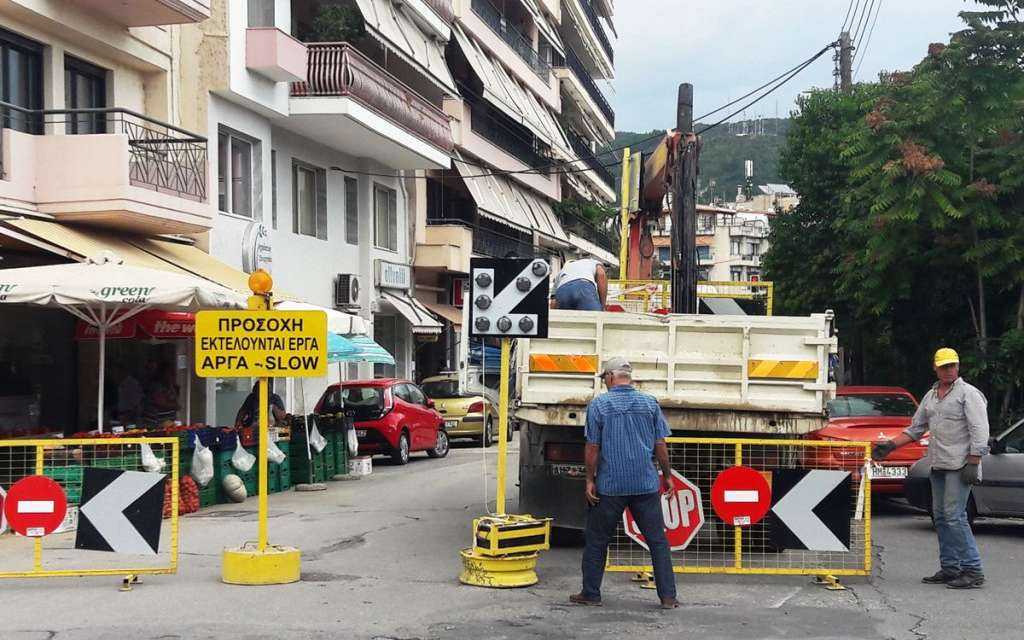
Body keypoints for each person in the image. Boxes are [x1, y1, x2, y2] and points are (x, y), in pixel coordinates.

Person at [873, 347, 989, 589]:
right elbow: (916, 428)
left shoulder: (969, 394)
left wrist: (974, 461)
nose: (949, 370)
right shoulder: (931, 396)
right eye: (945, 366)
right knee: (941, 518)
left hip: (960, 465)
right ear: (935, 368)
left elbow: (980, 431)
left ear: (958, 367)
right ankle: (951, 568)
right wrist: (890, 446)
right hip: (937, 465)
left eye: (953, 365)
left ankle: (973, 569)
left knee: (955, 517)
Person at [571, 357, 678, 609]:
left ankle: (591, 594)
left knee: (597, 540)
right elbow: (660, 444)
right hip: (645, 485)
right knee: (658, 541)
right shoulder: (649, 403)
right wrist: (668, 476)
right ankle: (668, 597)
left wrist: (589, 480)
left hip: (610, 487)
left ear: (609, 377)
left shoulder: (599, 405)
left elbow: (593, 447)